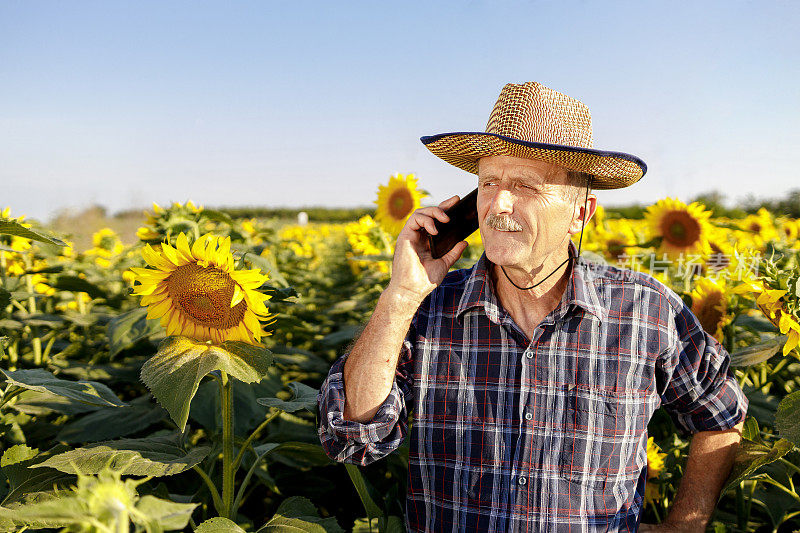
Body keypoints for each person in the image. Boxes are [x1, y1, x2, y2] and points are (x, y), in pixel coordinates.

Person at [317, 81, 747, 532]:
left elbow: (720, 415)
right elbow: (352, 440)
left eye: (525, 185)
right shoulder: (426, 310)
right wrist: (400, 296)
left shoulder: (645, 312)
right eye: (488, 183)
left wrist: (687, 523)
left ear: (581, 213)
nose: (498, 204)